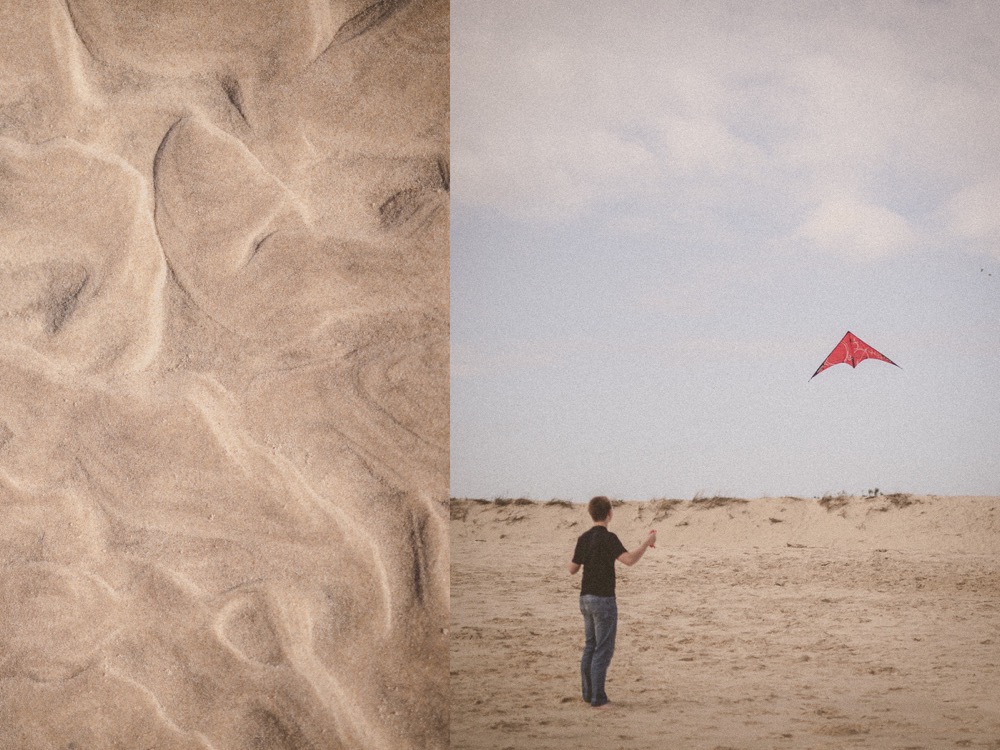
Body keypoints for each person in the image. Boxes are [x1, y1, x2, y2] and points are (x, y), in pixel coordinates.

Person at [568, 496, 656, 709]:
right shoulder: (608, 538)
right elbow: (629, 560)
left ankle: (588, 694)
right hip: (603, 598)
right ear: (609, 513)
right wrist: (646, 543)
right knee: (602, 649)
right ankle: (598, 698)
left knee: (590, 646)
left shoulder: (584, 538)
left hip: (585, 597)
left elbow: (572, 569)